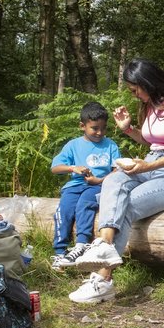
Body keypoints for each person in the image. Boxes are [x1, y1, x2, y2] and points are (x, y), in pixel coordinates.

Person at [67, 59, 164, 303]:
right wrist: (128, 129)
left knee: (127, 203)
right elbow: (154, 144)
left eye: (135, 89)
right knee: (113, 181)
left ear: (147, 82)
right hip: (150, 162)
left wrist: (149, 165)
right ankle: (104, 244)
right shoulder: (150, 105)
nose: (134, 94)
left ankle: (102, 280)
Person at [50, 102, 121, 270]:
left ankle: (81, 245)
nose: (99, 133)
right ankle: (60, 252)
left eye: (103, 128)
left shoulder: (110, 145)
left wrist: (99, 180)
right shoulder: (73, 145)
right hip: (74, 185)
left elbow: (117, 171)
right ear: (82, 126)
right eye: (94, 128)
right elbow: (55, 168)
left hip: (98, 186)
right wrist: (72, 168)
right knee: (64, 210)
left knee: (85, 204)